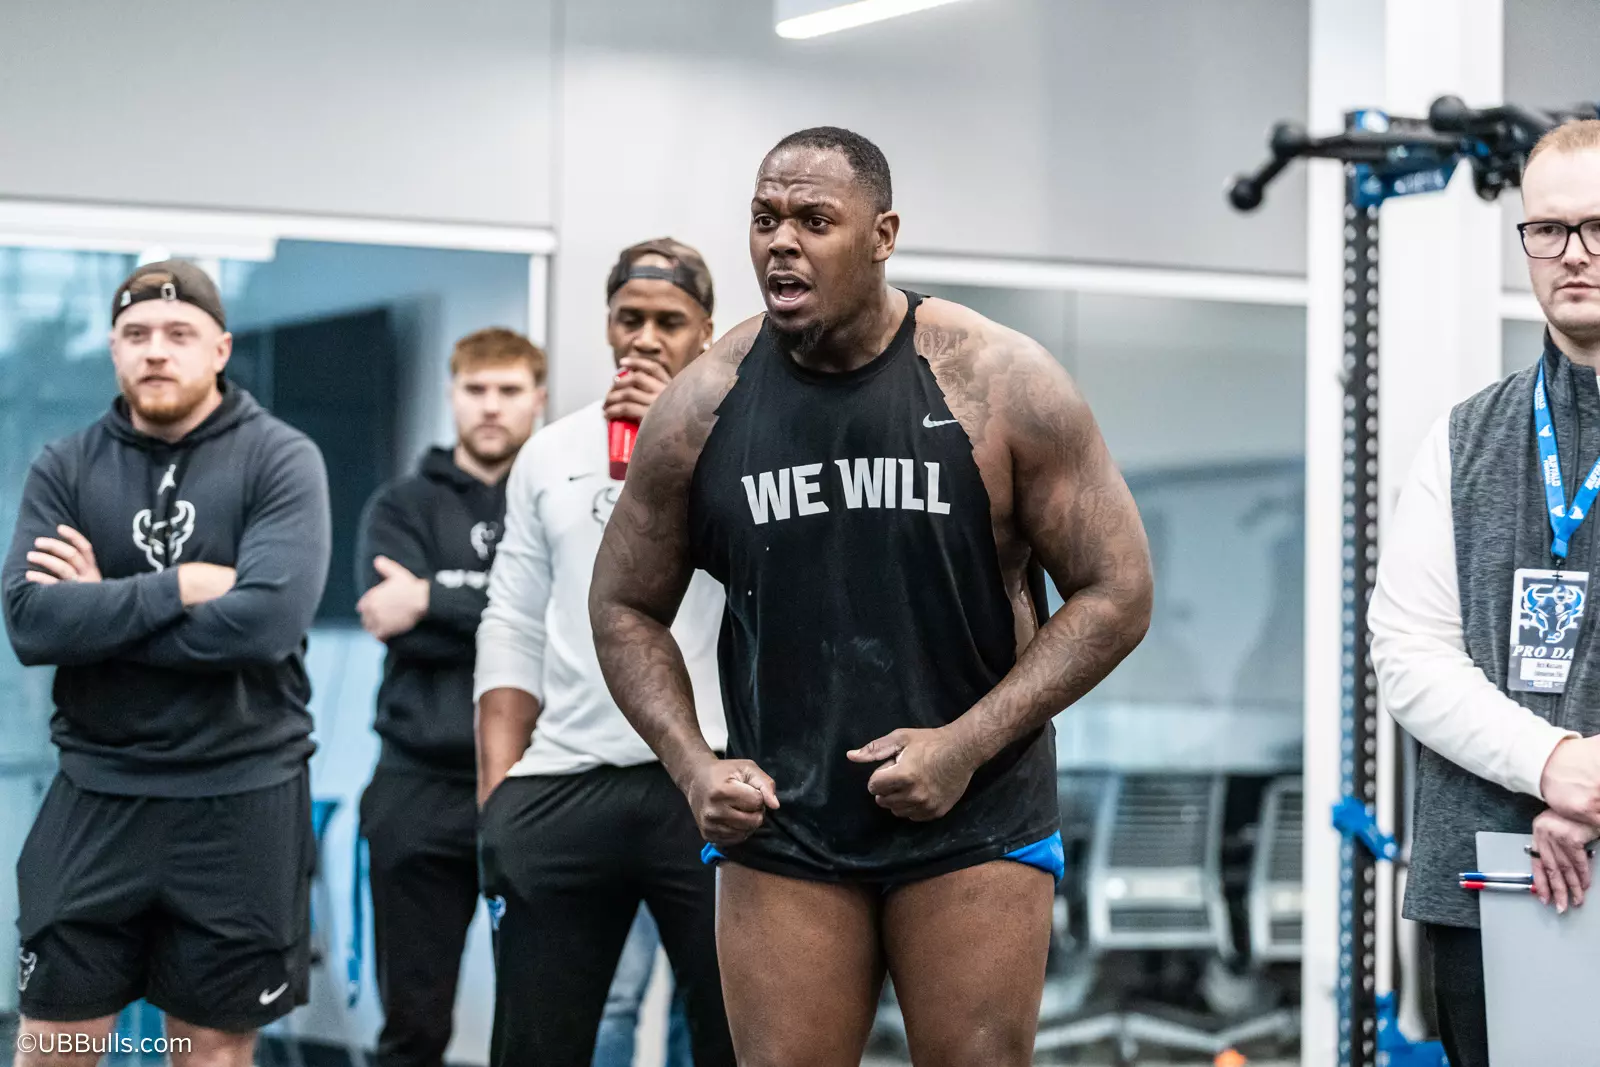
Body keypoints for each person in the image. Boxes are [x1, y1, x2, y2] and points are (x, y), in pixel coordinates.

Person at [590, 127, 1154, 1067]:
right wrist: (693, 766)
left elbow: (1118, 590)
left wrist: (966, 743)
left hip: (973, 808)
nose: (782, 241)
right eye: (766, 219)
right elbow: (623, 606)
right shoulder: (702, 406)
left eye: (815, 219)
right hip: (787, 815)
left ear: (883, 233)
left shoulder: (999, 381)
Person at [2, 261, 331, 1066]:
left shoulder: (281, 460)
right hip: (97, 794)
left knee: (211, 1050)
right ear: (113, 350)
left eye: (179, 334)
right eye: (137, 334)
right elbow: (30, 621)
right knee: (56, 1041)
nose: (157, 350)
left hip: (240, 797)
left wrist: (102, 609)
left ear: (219, 348)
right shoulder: (67, 466)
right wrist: (180, 585)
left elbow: (264, 624)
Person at [1370, 118, 1600, 1067]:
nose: (1572, 254)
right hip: (1488, 888)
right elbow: (1410, 653)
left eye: (1598, 226)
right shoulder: (1461, 439)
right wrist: (1554, 766)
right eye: (1547, 230)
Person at [475, 238, 734, 1067]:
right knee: (534, 1046)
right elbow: (511, 620)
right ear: (608, 326)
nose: (646, 338)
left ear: (705, 331)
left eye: (669, 322)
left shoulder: (744, 445)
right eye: (631, 319)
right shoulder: (549, 453)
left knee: (738, 1037)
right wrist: (498, 793)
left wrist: (681, 428)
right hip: (564, 781)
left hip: (705, 776)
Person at [354, 328, 546, 1067]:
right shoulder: (400, 504)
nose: (491, 407)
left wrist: (430, 594)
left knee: (538, 1025)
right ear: (452, 395)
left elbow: (567, 621)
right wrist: (504, 608)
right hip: (414, 789)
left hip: (536, 786)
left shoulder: (555, 496)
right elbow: (385, 619)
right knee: (414, 1027)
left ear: (537, 397)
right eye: (476, 390)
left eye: (507, 391)